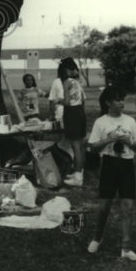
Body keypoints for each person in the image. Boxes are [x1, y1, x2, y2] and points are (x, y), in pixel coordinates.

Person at [87, 87, 136, 261]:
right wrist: (107, 140)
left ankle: (126, 248)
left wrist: (130, 141)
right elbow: (92, 147)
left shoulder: (130, 121)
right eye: (117, 99)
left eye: (122, 99)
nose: (121, 102)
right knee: (105, 207)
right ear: (108, 103)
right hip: (109, 165)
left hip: (126, 165)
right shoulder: (101, 122)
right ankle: (97, 237)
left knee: (127, 207)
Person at [59, 58, 87, 187]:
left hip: (71, 113)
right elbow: (81, 100)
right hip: (80, 112)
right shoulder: (77, 82)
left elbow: (67, 102)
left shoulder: (66, 82)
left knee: (76, 146)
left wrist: (57, 101)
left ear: (65, 70)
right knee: (80, 145)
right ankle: (78, 171)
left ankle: (78, 178)